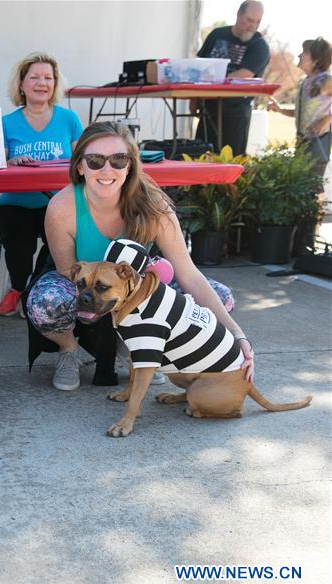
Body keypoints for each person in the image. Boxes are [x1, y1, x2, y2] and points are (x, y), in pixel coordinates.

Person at [27, 121, 254, 392]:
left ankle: (144, 346)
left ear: (131, 165)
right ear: (80, 166)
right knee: (46, 302)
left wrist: (237, 334)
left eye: (118, 159)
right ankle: (69, 349)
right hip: (88, 288)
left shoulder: (153, 203)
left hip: (140, 288)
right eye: (95, 160)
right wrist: (113, 300)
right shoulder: (62, 207)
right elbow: (68, 271)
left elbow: (188, 273)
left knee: (222, 298)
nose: (107, 169)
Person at [0, 52, 83, 317]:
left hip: (58, 202)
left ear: (55, 84)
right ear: (21, 84)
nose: (42, 83)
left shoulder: (69, 119)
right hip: (16, 203)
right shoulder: (6, 122)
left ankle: (35, 288)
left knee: (61, 243)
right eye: (34, 77)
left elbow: (82, 161)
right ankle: (19, 287)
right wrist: (11, 159)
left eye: (48, 77)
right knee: (18, 238)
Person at [195, 0, 270, 156]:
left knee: (230, 162)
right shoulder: (217, 35)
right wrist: (193, 99)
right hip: (208, 108)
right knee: (201, 156)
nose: (253, 26)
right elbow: (199, 67)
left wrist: (213, 82)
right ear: (238, 15)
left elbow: (244, 75)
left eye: (258, 21)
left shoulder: (259, 45)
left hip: (235, 113)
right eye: (249, 20)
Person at [268, 37, 332, 177]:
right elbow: (301, 113)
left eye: (304, 52)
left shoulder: (327, 80)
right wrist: (280, 109)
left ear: (316, 59)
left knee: (313, 187)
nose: (299, 55)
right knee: (303, 185)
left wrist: (327, 119)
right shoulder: (306, 81)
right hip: (302, 141)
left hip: (318, 143)